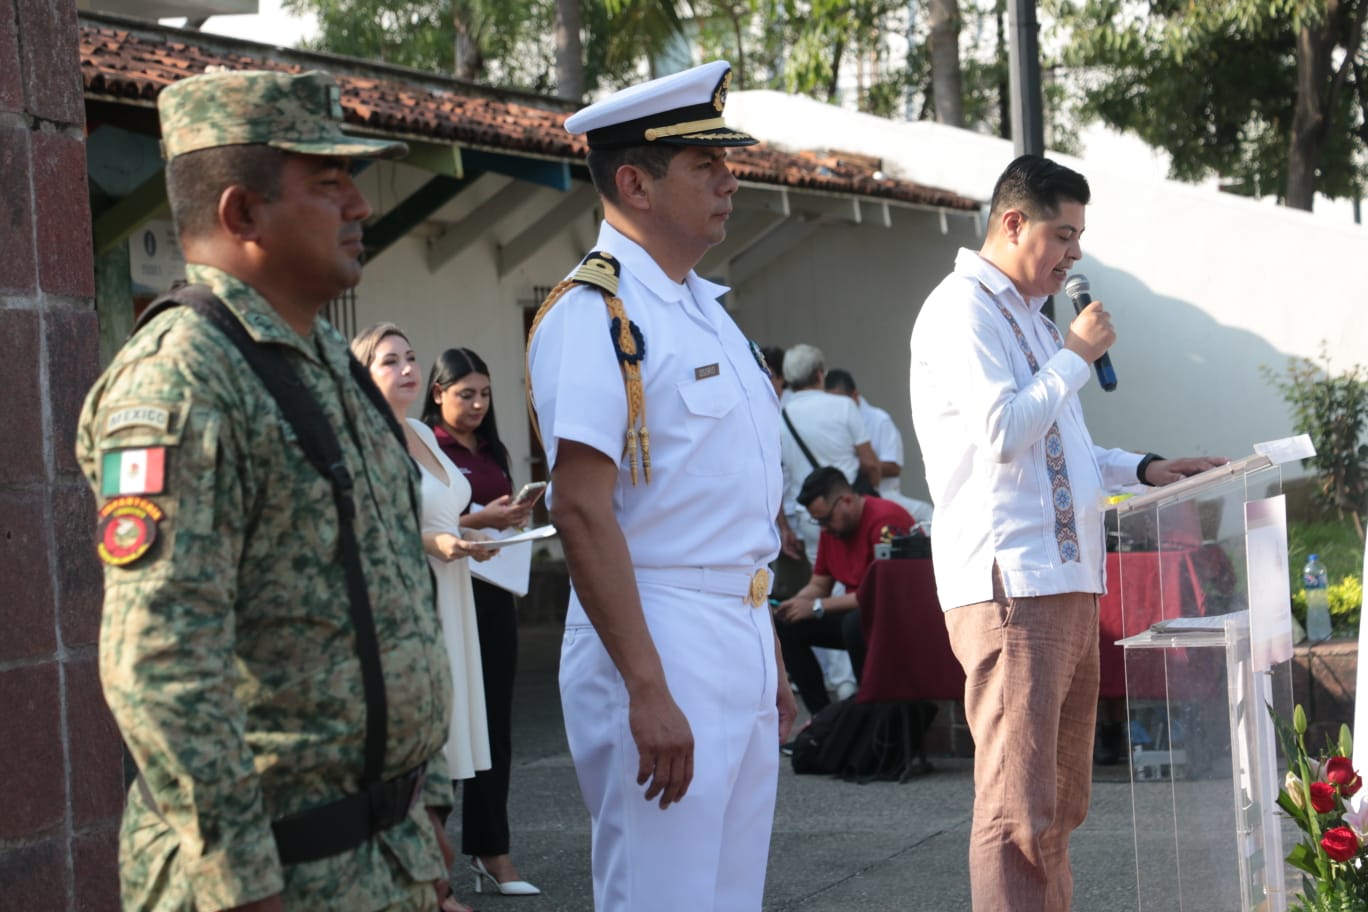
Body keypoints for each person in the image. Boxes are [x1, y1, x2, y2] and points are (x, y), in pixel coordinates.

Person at [76, 70, 464, 912]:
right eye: (329, 183)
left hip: (381, 862)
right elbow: (160, 662)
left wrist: (425, 822)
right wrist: (242, 886)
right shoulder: (184, 380)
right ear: (240, 214)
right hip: (272, 879)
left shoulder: (329, 362)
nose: (360, 204)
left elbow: (393, 596)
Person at [908, 153, 1225, 911]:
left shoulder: (1026, 317)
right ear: (1012, 223)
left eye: (1080, 236)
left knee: (1056, 808)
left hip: (1067, 582)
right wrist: (1076, 358)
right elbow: (1001, 430)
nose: (1075, 254)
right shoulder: (963, 308)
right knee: (1018, 813)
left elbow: (1066, 445)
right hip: (1012, 585)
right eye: (1065, 233)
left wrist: (1147, 467)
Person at [526, 60, 797, 912]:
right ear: (636, 183)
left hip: (738, 625)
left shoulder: (703, 307)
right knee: (663, 895)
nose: (729, 178)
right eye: (703, 164)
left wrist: (771, 654)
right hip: (659, 629)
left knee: (726, 897)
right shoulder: (592, 311)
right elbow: (579, 504)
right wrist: (647, 685)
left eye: (726, 159)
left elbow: (720, 505)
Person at [420, 347, 542, 898]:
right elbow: (428, 519)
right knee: (442, 726)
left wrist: (512, 517)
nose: (476, 404)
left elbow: (488, 514)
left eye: (484, 394)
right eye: (465, 393)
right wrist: (480, 519)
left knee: (494, 723)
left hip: (493, 590)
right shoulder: (424, 445)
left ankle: (493, 853)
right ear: (438, 393)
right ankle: (427, 858)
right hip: (445, 589)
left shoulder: (490, 446)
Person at [773, 467, 916, 715]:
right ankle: (822, 718)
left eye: (826, 519)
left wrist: (817, 607)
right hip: (858, 614)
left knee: (854, 624)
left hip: (895, 618)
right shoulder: (833, 529)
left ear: (847, 500)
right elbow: (819, 584)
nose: (824, 528)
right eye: (818, 522)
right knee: (787, 625)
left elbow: (881, 593)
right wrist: (795, 604)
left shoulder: (885, 520)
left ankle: (868, 712)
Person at [823, 367, 934, 533]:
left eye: (841, 402)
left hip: (881, 493)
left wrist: (856, 463)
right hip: (842, 500)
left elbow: (894, 467)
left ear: (854, 396)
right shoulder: (830, 422)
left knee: (927, 514)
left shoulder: (879, 420)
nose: (838, 408)